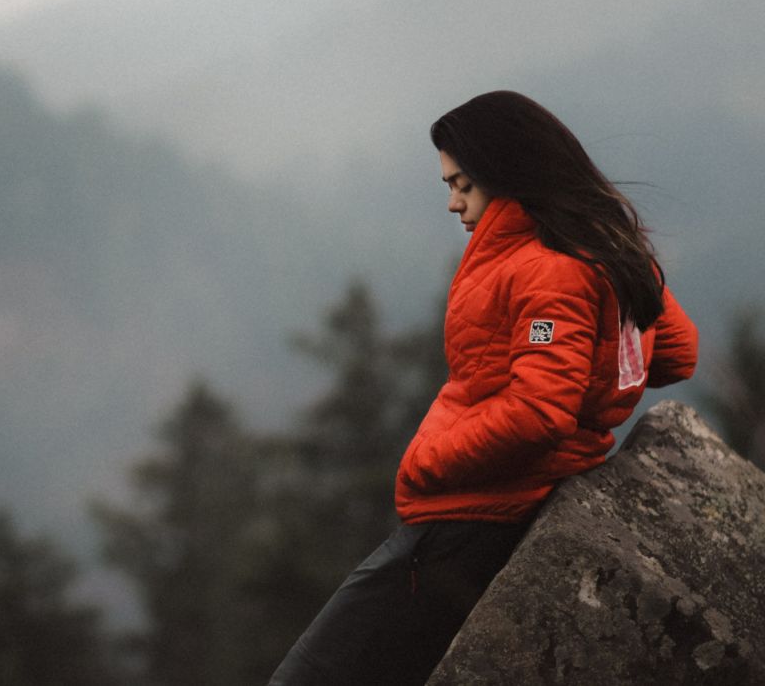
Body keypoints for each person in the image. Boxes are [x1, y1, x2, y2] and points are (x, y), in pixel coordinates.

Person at [267, 91, 700, 685]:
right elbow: (675, 353)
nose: (452, 203)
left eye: (463, 185)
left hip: (468, 518)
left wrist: (426, 462)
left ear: (509, 175)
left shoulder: (548, 266)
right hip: (501, 508)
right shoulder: (606, 249)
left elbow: (539, 413)